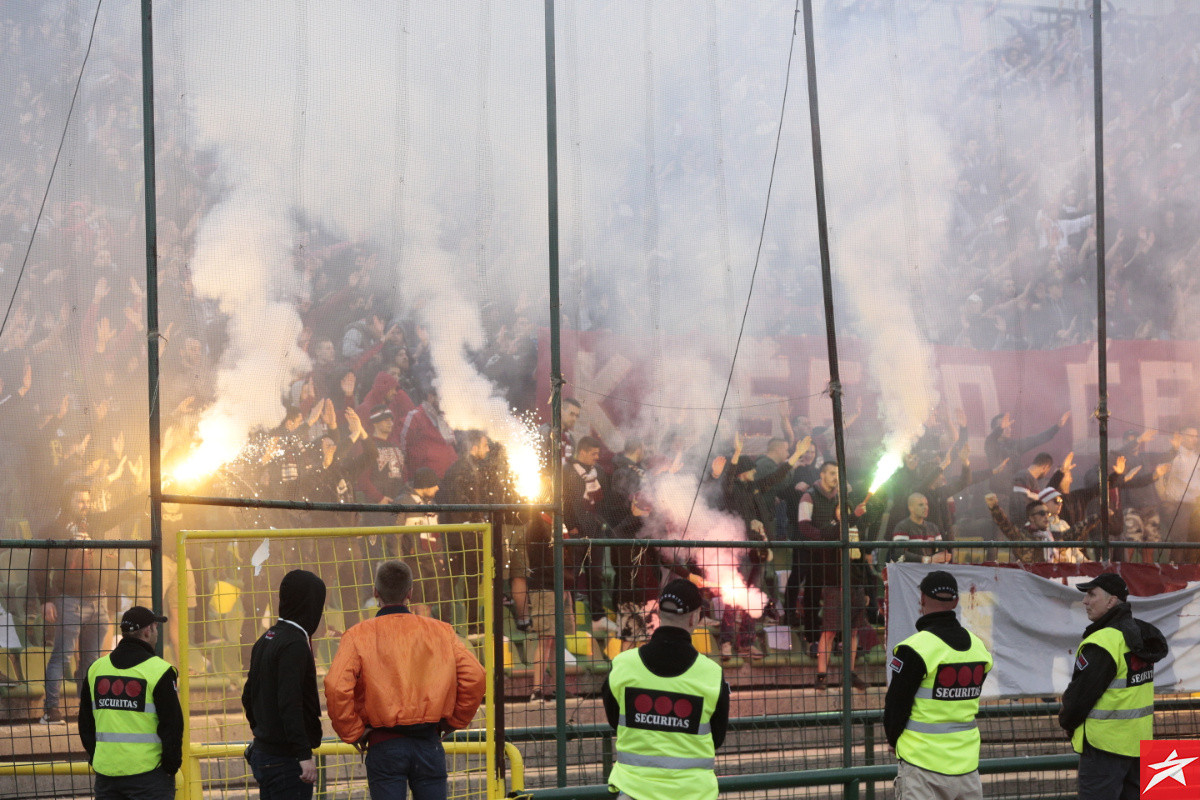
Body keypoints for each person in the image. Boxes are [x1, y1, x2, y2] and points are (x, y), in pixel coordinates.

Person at [324, 560, 485, 800]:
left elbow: (336, 687)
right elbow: (475, 676)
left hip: (383, 744)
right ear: (410, 593)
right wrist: (454, 721)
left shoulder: (357, 636)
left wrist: (354, 732)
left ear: (376, 592)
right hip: (428, 742)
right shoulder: (441, 631)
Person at [602, 578, 730, 800]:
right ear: (694, 618)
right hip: (695, 793)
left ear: (659, 613)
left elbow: (615, 720)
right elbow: (717, 738)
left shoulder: (622, 665)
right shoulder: (711, 673)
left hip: (634, 791)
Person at [1059, 573, 1167, 800]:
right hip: (1139, 746)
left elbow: (1079, 699)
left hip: (1103, 750)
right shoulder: (1141, 635)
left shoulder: (1103, 642)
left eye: (1091, 594)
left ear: (1111, 601)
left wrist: (1066, 721)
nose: (1085, 601)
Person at [885, 571, 992, 800]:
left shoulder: (914, 649)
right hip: (967, 768)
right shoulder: (979, 648)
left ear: (921, 599)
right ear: (955, 602)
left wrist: (894, 740)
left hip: (921, 767)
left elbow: (896, 704)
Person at [78, 606, 182, 800]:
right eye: (155, 628)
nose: (156, 633)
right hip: (149, 776)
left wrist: (97, 757)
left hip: (107, 775)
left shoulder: (96, 669)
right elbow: (172, 725)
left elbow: (85, 723)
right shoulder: (159, 671)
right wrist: (170, 766)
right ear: (147, 631)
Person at [242, 570, 327, 800]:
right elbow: (290, 703)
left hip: (265, 752)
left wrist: (263, 731)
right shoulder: (295, 645)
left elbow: (247, 696)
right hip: (285, 761)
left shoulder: (267, 637)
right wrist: (302, 754)